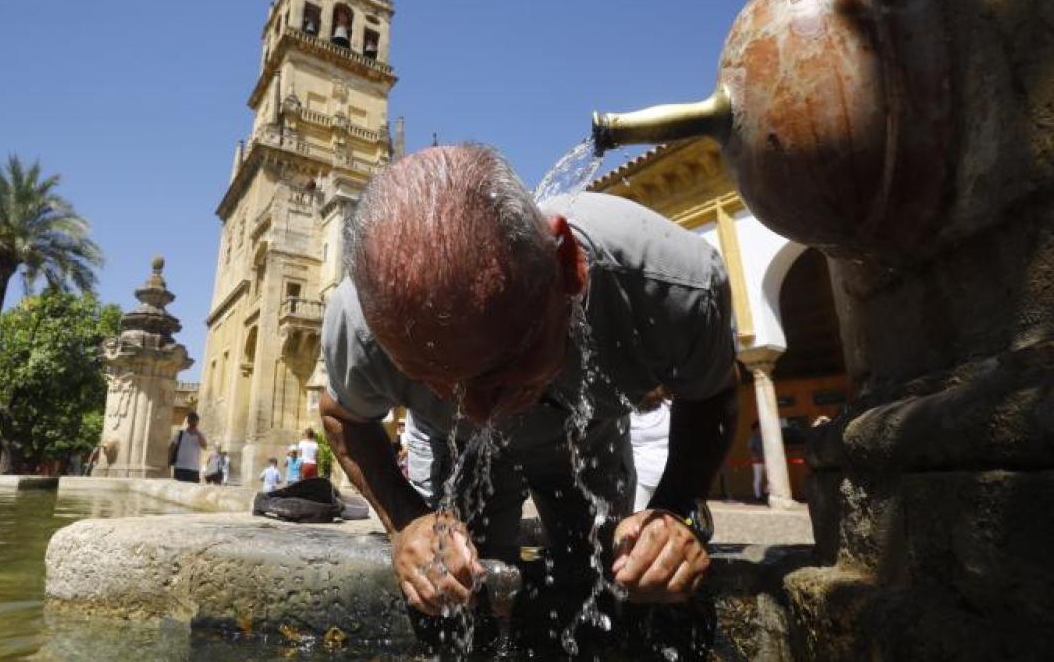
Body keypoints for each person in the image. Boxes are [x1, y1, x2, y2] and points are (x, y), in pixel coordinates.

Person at [320, 144, 737, 618]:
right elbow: (343, 418)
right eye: (440, 384)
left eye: (500, 371)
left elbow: (713, 393)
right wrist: (406, 521)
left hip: (588, 441)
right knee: (458, 589)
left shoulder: (667, 284)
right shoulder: (362, 323)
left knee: (609, 580)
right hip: (460, 454)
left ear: (568, 267)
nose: (481, 412)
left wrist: (676, 510)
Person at [630, 389, 672, 512]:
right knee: (635, 522)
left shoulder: (669, 407)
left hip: (667, 479)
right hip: (640, 481)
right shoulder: (627, 412)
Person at [169, 411, 207, 483]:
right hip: (180, 467)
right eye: (191, 420)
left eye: (194, 420)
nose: (193, 422)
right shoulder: (180, 434)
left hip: (193, 468)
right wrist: (170, 461)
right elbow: (172, 447)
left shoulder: (201, 434)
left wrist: (198, 434)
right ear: (188, 421)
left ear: (197, 422)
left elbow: (204, 446)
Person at [748, 421, 766, 502]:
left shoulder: (764, 437)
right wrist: (755, 457)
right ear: (755, 429)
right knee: (758, 478)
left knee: (769, 477)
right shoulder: (753, 438)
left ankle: (765, 492)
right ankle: (757, 495)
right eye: (759, 427)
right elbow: (751, 449)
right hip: (757, 461)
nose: (760, 429)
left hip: (765, 460)